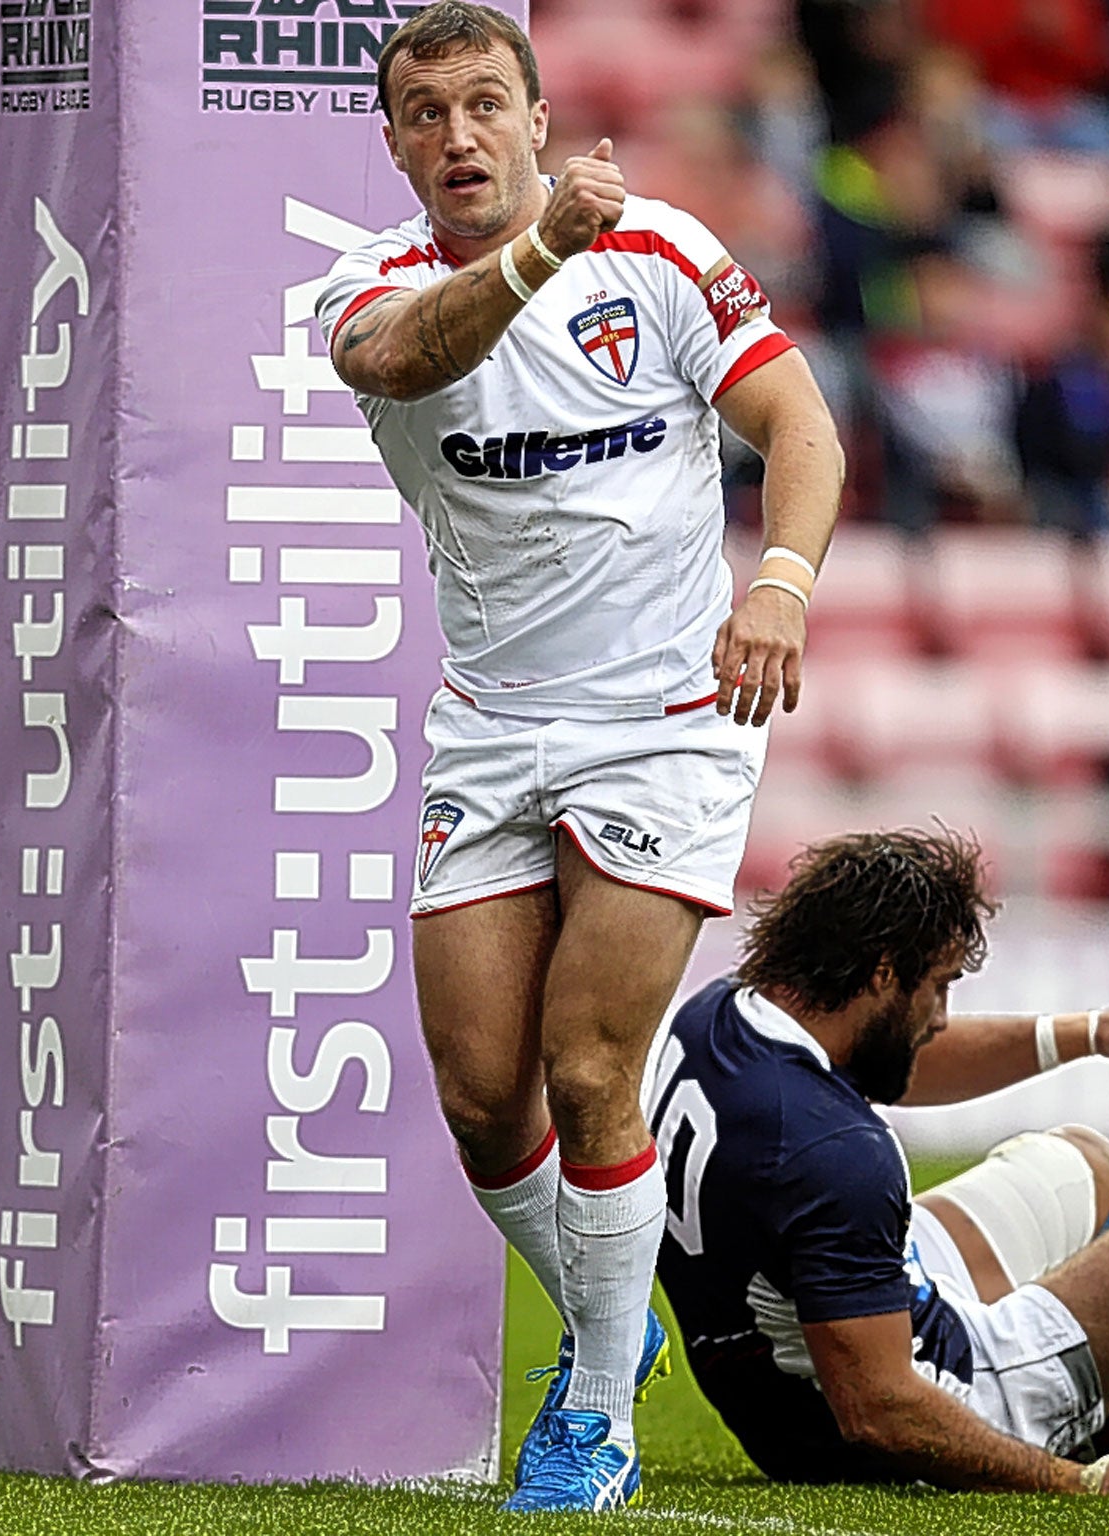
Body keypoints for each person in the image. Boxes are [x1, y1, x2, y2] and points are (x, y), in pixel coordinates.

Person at [316, 1, 844, 1512]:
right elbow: (412, 363)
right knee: (484, 1098)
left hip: (667, 723)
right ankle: (618, 1325)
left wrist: (780, 585)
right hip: (487, 725)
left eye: (487, 103)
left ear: (539, 120)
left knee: (589, 1063)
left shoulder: (666, 256)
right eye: (425, 113)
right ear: (397, 140)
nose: (459, 135)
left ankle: (597, 1409)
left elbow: (803, 430)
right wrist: (542, 255)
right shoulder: (367, 286)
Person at [649, 826, 1109, 1497]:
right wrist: (1079, 1481)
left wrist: (1090, 1033)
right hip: (938, 1399)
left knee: (1081, 1160)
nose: (942, 1017)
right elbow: (881, 1411)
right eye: (940, 986)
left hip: (785, 1371)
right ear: (883, 970)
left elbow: (891, 1065)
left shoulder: (723, 1013)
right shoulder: (835, 1157)